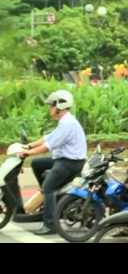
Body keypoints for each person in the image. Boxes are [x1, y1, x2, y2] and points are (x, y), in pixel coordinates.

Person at [18, 90, 87, 235]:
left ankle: (50, 225)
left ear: (60, 106)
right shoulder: (65, 121)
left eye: (51, 105)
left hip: (70, 163)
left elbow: (48, 146)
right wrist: (29, 146)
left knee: (48, 188)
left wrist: (28, 153)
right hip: (63, 160)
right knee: (37, 164)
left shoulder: (68, 123)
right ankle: (47, 198)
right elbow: (48, 138)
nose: (50, 109)